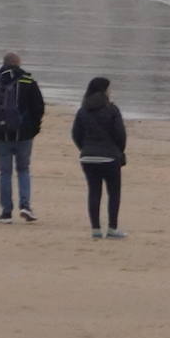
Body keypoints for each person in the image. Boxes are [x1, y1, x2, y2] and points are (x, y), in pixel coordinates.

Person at [0, 52, 45, 224]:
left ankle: (6, 212)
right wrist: (34, 128)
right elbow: (39, 108)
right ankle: (25, 205)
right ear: (18, 64)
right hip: (24, 135)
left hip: (0, 134)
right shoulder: (28, 81)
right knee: (23, 170)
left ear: (4, 63)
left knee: (4, 172)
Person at [71, 77, 128, 239]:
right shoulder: (112, 110)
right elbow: (120, 135)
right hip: (109, 157)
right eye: (109, 88)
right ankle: (112, 228)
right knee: (114, 193)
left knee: (94, 192)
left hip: (88, 157)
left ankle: (95, 229)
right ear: (104, 90)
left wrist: (85, 148)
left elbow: (76, 134)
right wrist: (119, 151)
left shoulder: (83, 110)